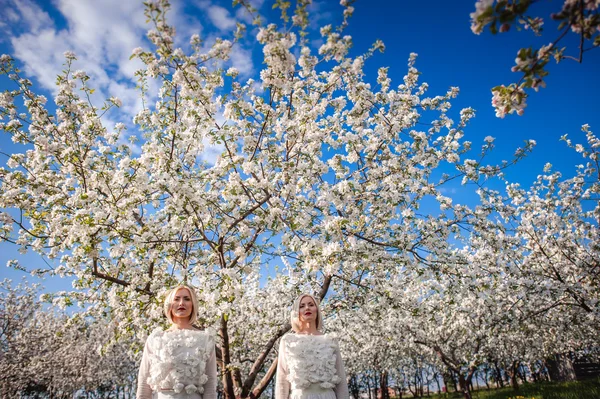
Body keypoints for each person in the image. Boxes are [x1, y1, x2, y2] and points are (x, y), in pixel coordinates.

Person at [136, 285, 217, 399]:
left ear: (193, 305)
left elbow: (211, 383)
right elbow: (144, 381)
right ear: (169, 305)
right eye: (176, 299)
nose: (181, 303)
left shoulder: (206, 339)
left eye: (187, 299)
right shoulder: (155, 339)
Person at [275, 293, 349, 399]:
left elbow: (341, 378)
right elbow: (282, 379)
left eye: (311, 304)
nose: (307, 308)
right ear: (297, 312)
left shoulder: (330, 340)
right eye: (302, 306)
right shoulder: (288, 341)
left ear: (317, 310)